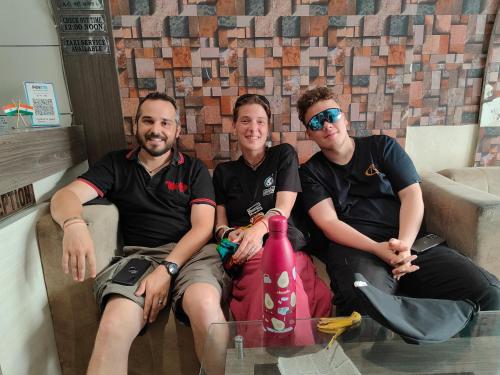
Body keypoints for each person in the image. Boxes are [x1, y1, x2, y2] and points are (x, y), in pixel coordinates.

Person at [50, 92, 230, 374]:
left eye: (165, 123)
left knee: (206, 307)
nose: (156, 130)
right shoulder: (115, 164)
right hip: (140, 258)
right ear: (135, 125)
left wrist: (167, 269)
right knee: (113, 325)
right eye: (148, 120)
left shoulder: (193, 170)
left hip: (193, 255)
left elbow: (203, 228)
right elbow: (65, 196)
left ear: (177, 130)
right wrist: (74, 224)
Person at [297, 86, 500, 317]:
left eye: (331, 115)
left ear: (343, 117)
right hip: (358, 251)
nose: (326, 125)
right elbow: (328, 223)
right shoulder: (310, 172)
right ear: (309, 134)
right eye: (316, 122)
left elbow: (412, 195)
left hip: (411, 242)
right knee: (368, 306)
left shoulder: (382, 146)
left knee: (490, 293)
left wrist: (403, 246)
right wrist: (377, 248)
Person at [212, 93, 332, 325]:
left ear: (268, 127)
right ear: (234, 125)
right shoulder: (223, 172)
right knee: (269, 291)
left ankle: (296, 353)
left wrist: (256, 231)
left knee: (288, 286)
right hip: (248, 253)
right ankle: (268, 354)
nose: (253, 128)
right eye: (245, 121)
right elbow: (219, 224)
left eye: (260, 121)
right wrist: (228, 234)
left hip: (287, 245)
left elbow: (283, 209)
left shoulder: (283, 155)